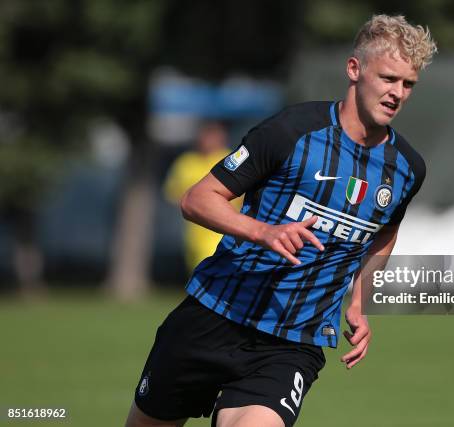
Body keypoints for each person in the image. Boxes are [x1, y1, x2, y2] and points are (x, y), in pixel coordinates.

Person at [126, 14, 436, 427]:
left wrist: (358, 300)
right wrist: (264, 231)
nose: (397, 93)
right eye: (388, 78)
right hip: (214, 313)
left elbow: (385, 233)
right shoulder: (292, 131)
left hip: (292, 341)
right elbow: (197, 199)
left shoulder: (407, 169)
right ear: (354, 69)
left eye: (408, 84)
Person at [163, 122, 235, 271]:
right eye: (205, 136)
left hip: (222, 231)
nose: (208, 141)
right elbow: (173, 192)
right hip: (194, 233)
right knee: (196, 274)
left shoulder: (230, 160)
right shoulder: (186, 162)